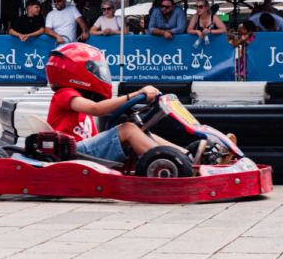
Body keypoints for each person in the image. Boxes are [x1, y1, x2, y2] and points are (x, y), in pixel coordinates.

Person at [45, 43, 189, 167]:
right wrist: (135, 94)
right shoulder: (64, 94)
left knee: (139, 130)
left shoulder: (82, 102)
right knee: (128, 129)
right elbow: (97, 109)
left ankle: (187, 156)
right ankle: (171, 163)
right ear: (75, 71)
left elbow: (95, 138)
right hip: (70, 152)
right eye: (93, 69)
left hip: (82, 151)